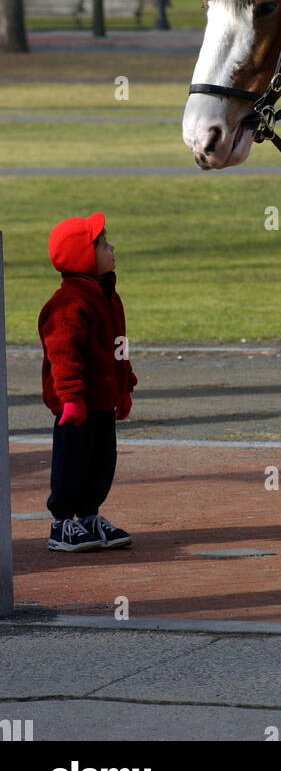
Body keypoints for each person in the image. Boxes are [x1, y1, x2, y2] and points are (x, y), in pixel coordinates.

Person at [39, 213, 137, 551]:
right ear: (84, 256)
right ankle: (62, 522)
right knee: (72, 460)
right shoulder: (68, 304)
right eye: (103, 244)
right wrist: (70, 398)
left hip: (102, 401)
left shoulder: (109, 296)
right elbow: (62, 355)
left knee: (101, 462)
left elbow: (119, 345)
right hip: (75, 405)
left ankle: (89, 515)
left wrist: (125, 387)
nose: (112, 248)